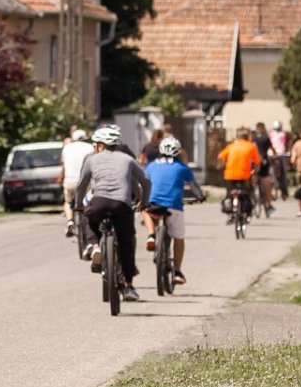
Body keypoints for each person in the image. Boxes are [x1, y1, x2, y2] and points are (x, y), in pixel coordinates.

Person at [74, 124, 150, 300]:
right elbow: (144, 182)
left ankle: (93, 246)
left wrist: (78, 205)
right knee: (126, 243)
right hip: (122, 205)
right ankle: (129, 286)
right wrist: (142, 202)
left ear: (100, 145)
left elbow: (81, 185)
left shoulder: (92, 160)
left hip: (99, 202)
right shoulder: (128, 159)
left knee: (89, 217)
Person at [143, 136, 203, 285]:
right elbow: (194, 186)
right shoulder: (182, 168)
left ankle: (151, 235)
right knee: (178, 238)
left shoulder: (151, 166)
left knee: (145, 211)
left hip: (154, 204)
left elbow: (144, 183)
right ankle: (177, 272)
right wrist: (200, 197)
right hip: (174, 205)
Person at [216, 128, 262, 226]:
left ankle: (230, 213)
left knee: (229, 193)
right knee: (248, 192)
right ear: (247, 137)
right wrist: (254, 171)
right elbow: (258, 162)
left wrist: (223, 165)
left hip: (229, 175)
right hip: (245, 175)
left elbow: (220, 156)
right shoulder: (251, 146)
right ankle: (247, 213)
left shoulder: (231, 146)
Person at [60, 128, 93, 243]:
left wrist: (62, 177)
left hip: (70, 180)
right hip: (86, 181)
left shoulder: (67, 148)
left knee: (68, 201)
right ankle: (88, 224)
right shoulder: (90, 147)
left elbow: (64, 165)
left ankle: (69, 220)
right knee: (87, 202)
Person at [251, 121, 277, 217]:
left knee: (253, 178)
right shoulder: (266, 137)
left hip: (254, 161)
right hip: (264, 162)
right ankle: (268, 204)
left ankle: (253, 196)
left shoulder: (252, 137)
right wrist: (275, 154)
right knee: (266, 182)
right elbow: (271, 148)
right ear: (263, 128)